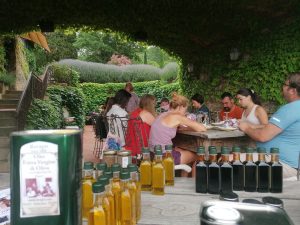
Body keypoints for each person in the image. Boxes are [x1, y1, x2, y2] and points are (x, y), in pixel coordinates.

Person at [239, 72, 300, 171]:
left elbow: (262, 136)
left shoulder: (290, 109)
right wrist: (253, 126)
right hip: (289, 162)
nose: (282, 87)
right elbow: (274, 128)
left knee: (227, 161)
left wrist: (246, 128)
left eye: (285, 85)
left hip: (279, 162)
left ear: (292, 91)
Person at [149, 93, 206, 166]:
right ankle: (194, 177)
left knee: (183, 150)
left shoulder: (163, 114)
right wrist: (191, 125)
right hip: (165, 156)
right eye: (185, 109)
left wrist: (188, 127)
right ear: (181, 106)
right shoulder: (177, 116)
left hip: (153, 154)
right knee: (198, 155)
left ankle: (185, 176)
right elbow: (202, 128)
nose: (185, 112)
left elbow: (179, 128)